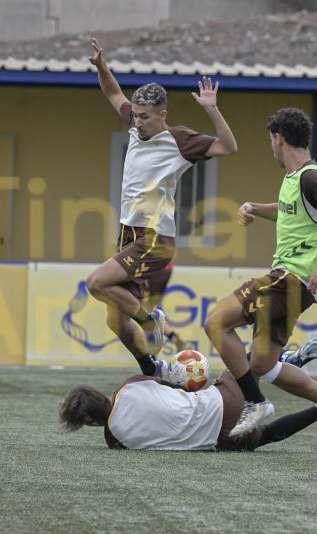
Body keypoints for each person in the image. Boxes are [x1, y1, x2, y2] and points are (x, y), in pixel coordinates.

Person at [202, 107, 317, 449]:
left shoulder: (310, 177)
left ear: (279, 138)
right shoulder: (295, 179)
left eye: (271, 141)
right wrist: (256, 208)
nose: (271, 147)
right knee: (263, 363)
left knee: (215, 322)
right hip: (293, 286)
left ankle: (255, 403)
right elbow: (291, 211)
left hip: (289, 278)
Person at [84, 38, 239, 379]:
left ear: (163, 115)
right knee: (114, 320)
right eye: (136, 116)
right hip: (127, 234)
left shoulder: (180, 140)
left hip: (155, 237)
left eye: (145, 117)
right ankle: (152, 369)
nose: (137, 123)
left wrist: (212, 109)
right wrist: (101, 66)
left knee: (95, 284)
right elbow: (113, 94)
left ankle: (150, 320)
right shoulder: (135, 127)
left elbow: (229, 147)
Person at [59, 370, 317, 452]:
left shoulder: (114, 440)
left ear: (89, 421)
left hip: (221, 438)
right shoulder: (129, 385)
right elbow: (175, 387)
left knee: (265, 435)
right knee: (248, 365)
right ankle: (284, 364)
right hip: (220, 400)